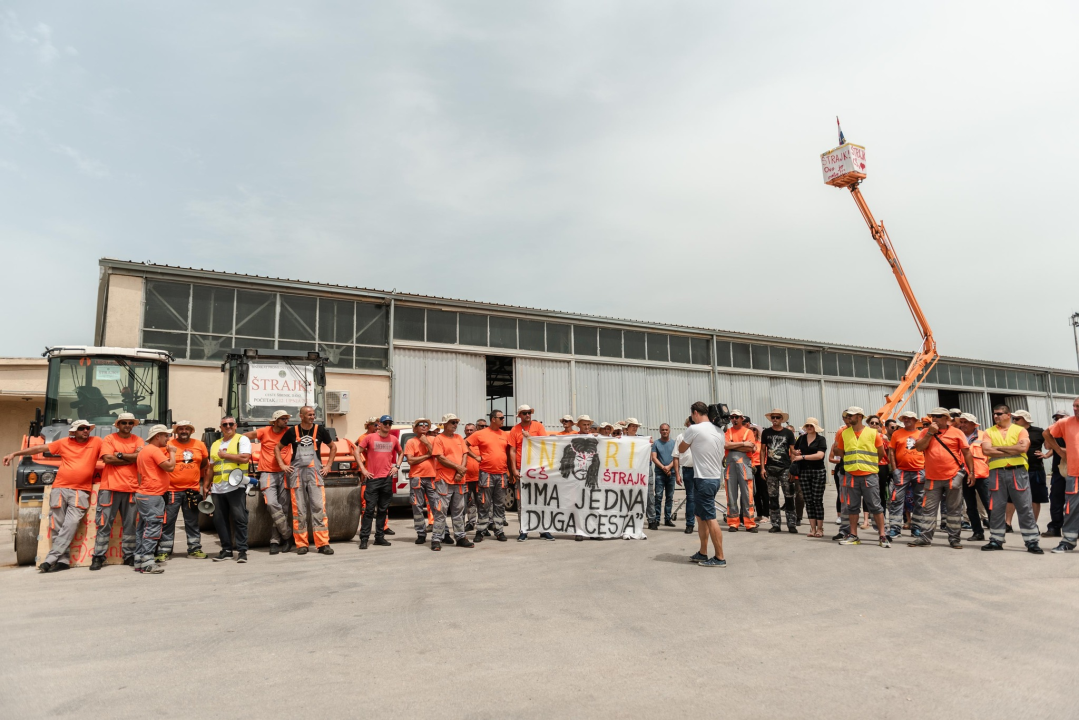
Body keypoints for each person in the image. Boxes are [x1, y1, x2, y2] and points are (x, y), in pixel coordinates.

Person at [3, 420, 103, 573]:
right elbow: (39, 448)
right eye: (82, 428)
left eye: (87, 428)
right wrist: (15, 454)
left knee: (71, 524)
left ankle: (50, 559)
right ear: (74, 431)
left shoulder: (96, 442)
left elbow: (112, 451)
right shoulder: (64, 442)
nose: (85, 430)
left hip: (80, 491)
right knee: (56, 526)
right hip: (60, 488)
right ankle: (62, 561)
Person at [274, 405, 335, 556]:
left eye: (313, 414)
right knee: (299, 510)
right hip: (297, 474)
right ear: (301, 416)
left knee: (319, 509)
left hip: (315, 473)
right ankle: (301, 544)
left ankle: (323, 544)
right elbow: (277, 448)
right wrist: (282, 465)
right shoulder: (292, 431)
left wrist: (328, 466)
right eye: (309, 414)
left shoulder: (320, 430)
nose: (312, 417)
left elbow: (333, 447)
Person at [981, 405, 1042, 554]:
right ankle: (996, 540)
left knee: (1024, 507)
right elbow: (986, 450)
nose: (996, 416)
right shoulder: (989, 432)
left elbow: (1022, 449)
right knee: (996, 508)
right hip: (997, 473)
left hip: (1018, 472)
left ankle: (1032, 541)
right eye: (994, 414)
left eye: (999, 414)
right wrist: (1012, 448)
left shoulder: (1020, 430)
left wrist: (997, 448)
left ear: (1008, 415)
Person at [908, 408, 973, 549]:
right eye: (933, 416)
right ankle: (925, 538)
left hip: (953, 476)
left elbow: (967, 452)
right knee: (928, 510)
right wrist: (930, 433)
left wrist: (971, 472)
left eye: (938, 416)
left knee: (954, 510)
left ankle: (954, 539)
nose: (934, 419)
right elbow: (919, 448)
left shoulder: (957, 432)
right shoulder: (925, 432)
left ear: (946, 418)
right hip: (932, 478)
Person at [91, 413, 144, 569]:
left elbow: (139, 458)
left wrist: (119, 455)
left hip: (131, 488)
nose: (127, 425)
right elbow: (107, 459)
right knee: (104, 523)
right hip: (109, 487)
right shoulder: (109, 439)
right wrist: (131, 457)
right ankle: (98, 556)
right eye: (124, 422)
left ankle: (129, 555)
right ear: (118, 424)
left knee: (130, 525)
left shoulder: (138, 439)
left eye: (130, 423)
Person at [677, 401, 726, 567]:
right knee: (700, 516)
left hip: (704, 479)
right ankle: (703, 552)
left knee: (710, 518)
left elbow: (681, 449)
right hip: (713, 478)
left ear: (695, 413)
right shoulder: (719, 430)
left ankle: (719, 557)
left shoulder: (694, 429)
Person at [834, 407, 889, 547]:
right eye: (847, 416)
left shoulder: (872, 433)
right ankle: (853, 535)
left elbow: (881, 453)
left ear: (859, 417)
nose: (848, 418)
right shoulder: (844, 433)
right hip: (851, 474)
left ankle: (882, 536)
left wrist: (870, 464)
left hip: (869, 475)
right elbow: (840, 451)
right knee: (852, 507)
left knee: (875, 506)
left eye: (850, 416)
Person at [157, 420, 209, 561]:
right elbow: (161, 463)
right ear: (176, 431)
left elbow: (204, 463)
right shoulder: (168, 445)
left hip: (192, 491)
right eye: (181, 429)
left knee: (192, 522)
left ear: (191, 431)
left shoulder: (200, 445)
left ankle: (194, 549)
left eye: (187, 428)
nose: (184, 431)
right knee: (168, 522)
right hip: (171, 490)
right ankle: (164, 550)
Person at [244, 410, 294, 554]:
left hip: (285, 472)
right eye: (283, 419)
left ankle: (274, 541)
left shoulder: (289, 432)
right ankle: (288, 535)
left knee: (283, 509)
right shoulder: (264, 431)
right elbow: (244, 436)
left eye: (287, 418)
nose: (286, 421)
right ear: (275, 421)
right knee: (272, 503)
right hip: (267, 472)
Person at [131, 425, 176, 574]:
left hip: (144, 494)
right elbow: (170, 467)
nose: (168, 439)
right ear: (158, 436)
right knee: (153, 527)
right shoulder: (154, 451)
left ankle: (139, 560)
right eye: (166, 436)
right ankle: (148, 563)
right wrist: (172, 453)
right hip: (152, 495)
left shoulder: (144, 451)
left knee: (143, 528)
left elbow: (140, 475)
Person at [207, 416, 252, 562]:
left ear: (235, 426)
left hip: (236, 486)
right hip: (218, 488)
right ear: (220, 427)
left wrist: (225, 455)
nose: (228, 427)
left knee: (239, 519)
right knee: (219, 520)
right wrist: (206, 485)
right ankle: (226, 550)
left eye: (230, 424)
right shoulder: (215, 444)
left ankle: (242, 551)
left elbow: (245, 458)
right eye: (225, 424)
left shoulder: (242, 440)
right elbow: (211, 467)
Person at [354, 415, 400, 549]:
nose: (388, 425)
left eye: (390, 423)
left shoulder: (394, 439)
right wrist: (363, 469)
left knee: (383, 510)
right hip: (373, 479)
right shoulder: (370, 437)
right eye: (385, 423)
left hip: (386, 479)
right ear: (379, 424)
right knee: (369, 510)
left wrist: (396, 466)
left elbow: (401, 452)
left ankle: (379, 537)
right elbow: (357, 451)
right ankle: (364, 538)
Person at [508, 404, 553, 542]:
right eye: (524, 413)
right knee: (522, 501)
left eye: (529, 412)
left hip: (537, 469)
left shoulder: (538, 427)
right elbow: (512, 451)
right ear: (519, 415)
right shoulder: (514, 430)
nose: (527, 415)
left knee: (541, 499)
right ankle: (524, 530)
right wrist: (514, 469)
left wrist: (530, 437)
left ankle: (543, 529)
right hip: (522, 469)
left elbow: (544, 443)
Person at [432, 413, 475, 549]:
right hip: (444, 480)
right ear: (445, 424)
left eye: (456, 422)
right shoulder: (439, 439)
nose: (455, 425)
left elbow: (465, 454)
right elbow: (440, 457)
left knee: (459, 510)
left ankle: (460, 537)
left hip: (459, 479)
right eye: (452, 422)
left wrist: (460, 471)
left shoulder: (459, 438)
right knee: (441, 510)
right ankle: (436, 538)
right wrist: (458, 468)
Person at [467, 410, 511, 542]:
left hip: (502, 474)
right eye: (501, 418)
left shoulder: (505, 435)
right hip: (486, 474)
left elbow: (509, 454)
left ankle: (499, 530)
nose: (503, 420)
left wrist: (511, 471)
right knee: (484, 503)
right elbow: (465, 445)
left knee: (499, 504)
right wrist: (475, 456)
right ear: (493, 419)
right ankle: (481, 530)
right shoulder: (480, 434)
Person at [1044, 398, 1079, 552]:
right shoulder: (1066, 422)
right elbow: (1046, 434)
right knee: (1071, 508)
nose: (1075, 409)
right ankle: (1068, 541)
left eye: (1078, 406)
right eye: (1074, 406)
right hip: (1075, 473)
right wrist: (1058, 450)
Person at [404, 417, 444, 547]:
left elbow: (436, 454)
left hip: (432, 477)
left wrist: (426, 443)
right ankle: (421, 534)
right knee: (417, 506)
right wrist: (427, 455)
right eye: (420, 424)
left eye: (426, 424)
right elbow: (411, 460)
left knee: (436, 506)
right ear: (415, 428)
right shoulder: (411, 441)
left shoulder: (433, 439)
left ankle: (441, 534)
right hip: (417, 477)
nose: (424, 426)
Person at [886, 410, 925, 539]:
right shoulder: (897, 434)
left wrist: (926, 468)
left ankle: (917, 527)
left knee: (920, 500)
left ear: (915, 420)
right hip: (901, 471)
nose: (906, 420)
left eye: (909, 418)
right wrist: (895, 469)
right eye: (905, 418)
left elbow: (927, 451)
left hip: (919, 471)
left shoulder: (922, 434)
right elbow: (892, 452)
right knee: (897, 499)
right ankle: (895, 528)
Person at [761, 408, 798, 533]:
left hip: (785, 468)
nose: (775, 419)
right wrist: (762, 468)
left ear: (782, 419)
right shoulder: (766, 432)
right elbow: (762, 451)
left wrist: (793, 468)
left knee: (789, 496)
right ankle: (775, 523)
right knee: (773, 497)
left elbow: (792, 451)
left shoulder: (788, 433)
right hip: (770, 469)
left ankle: (791, 523)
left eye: (777, 417)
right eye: (773, 417)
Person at [1010, 410, 1048, 526]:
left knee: (1035, 497)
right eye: (1013, 419)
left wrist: (1047, 455)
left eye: (1017, 419)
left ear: (1026, 420)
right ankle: (1007, 523)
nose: (1014, 421)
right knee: (1011, 497)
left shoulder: (1039, 431)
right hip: (1015, 468)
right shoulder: (1011, 431)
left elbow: (1051, 444)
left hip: (1035, 469)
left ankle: (1033, 524)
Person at [956, 413, 990, 541]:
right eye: (961, 422)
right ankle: (977, 532)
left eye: (966, 422)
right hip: (964, 474)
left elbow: (990, 455)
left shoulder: (983, 435)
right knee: (970, 506)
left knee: (988, 504)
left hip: (982, 475)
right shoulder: (957, 435)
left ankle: (997, 534)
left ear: (974, 424)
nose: (962, 424)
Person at [792, 418, 828, 538]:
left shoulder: (821, 439)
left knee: (817, 500)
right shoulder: (801, 438)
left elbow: (820, 455)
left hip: (818, 471)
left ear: (815, 427)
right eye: (807, 425)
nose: (809, 428)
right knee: (808, 500)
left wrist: (802, 457)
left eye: (811, 426)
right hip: (804, 471)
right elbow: (794, 450)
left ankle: (820, 528)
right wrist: (796, 453)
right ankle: (812, 528)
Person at [722, 411, 757, 532]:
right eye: (732, 417)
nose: (734, 419)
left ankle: (749, 523)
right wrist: (743, 444)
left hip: (745, 466)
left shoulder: (748, 432)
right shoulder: (728, 431)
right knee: (731, 495)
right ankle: (733, 523)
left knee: (747, 495)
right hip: (730, 466)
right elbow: (725, 445)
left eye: (736, 417)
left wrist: (733, 445)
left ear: (742, 418)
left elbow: (750, 447)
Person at [1043, 408, 1070, 538]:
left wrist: (1058, 448)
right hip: (1058, 470)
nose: (1058, 420)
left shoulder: (1073, 430)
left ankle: (1073, 528)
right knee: (1055, 499)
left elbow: (1073, 450)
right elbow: (1047, 446)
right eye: (1056, 418)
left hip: (1074, 470)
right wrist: (1051, 431)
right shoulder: (1055, 432)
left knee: (1074, 501)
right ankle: (1055, 527)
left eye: (1061, 417)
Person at [866, 415, 891, 530]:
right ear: (868, 424)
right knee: (869, 493)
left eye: (877, 423)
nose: (874, 425)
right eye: (872, 423)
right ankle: (869, 519)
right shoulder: (864, 435)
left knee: (881, 493)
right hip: (868, 466)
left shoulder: (883, 437)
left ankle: (882, 517)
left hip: (881, 466)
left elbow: (888, 452)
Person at [672, 416, 696, 535]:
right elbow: (676, 456)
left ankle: (706, 523)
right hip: (688, 470)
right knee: (690, 497)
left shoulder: (700, 436)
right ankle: (690, 524)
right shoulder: (680, 437)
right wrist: (677, 474)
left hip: (701, 470)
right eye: (690, 424)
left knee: (704, 498)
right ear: (687, 425)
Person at [651, 423, 677, 529]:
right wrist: (663, 468)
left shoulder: (674, 443)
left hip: (672, 473)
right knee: (658, 496)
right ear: (659, 431)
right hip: (660, 474)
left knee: (669, 497)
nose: (664, 431)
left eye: (666, 430)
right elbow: (654, 458)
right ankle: (657, 519)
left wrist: (669, 467)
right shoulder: (656, 443)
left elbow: (676, 457)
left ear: (669, 431)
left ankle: (667, 519)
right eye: (663, 430)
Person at [462, 422, 481, 531]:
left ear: (475, 431)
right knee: (468, 503)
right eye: (467, 430)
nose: (469, 432)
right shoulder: (461, 443)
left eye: (471, 430)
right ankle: (470, 522)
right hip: (465, 479)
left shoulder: (480, 443)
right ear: (464, 431)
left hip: (479, 478)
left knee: (481, 503)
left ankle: (482, 526)